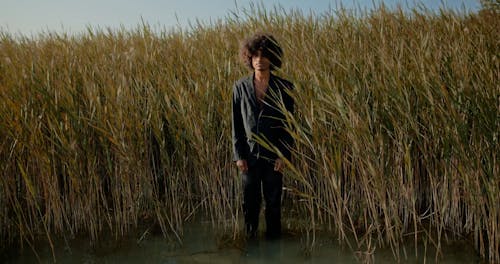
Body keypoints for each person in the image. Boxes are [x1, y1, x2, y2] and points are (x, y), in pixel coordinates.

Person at [232, 32, 294, 240]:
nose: (260, 60)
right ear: (249, 58)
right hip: (249, 157)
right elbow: (237, 125)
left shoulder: (285, 88)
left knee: (273, 203)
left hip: (273, 157)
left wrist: (283, 155)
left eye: (264, 55)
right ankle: (251, 243)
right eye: (255, 55)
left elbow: (290, 126)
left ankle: (274, 244)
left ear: (272, 57)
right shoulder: (239, 87)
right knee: (249, 203)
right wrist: (239, 155)